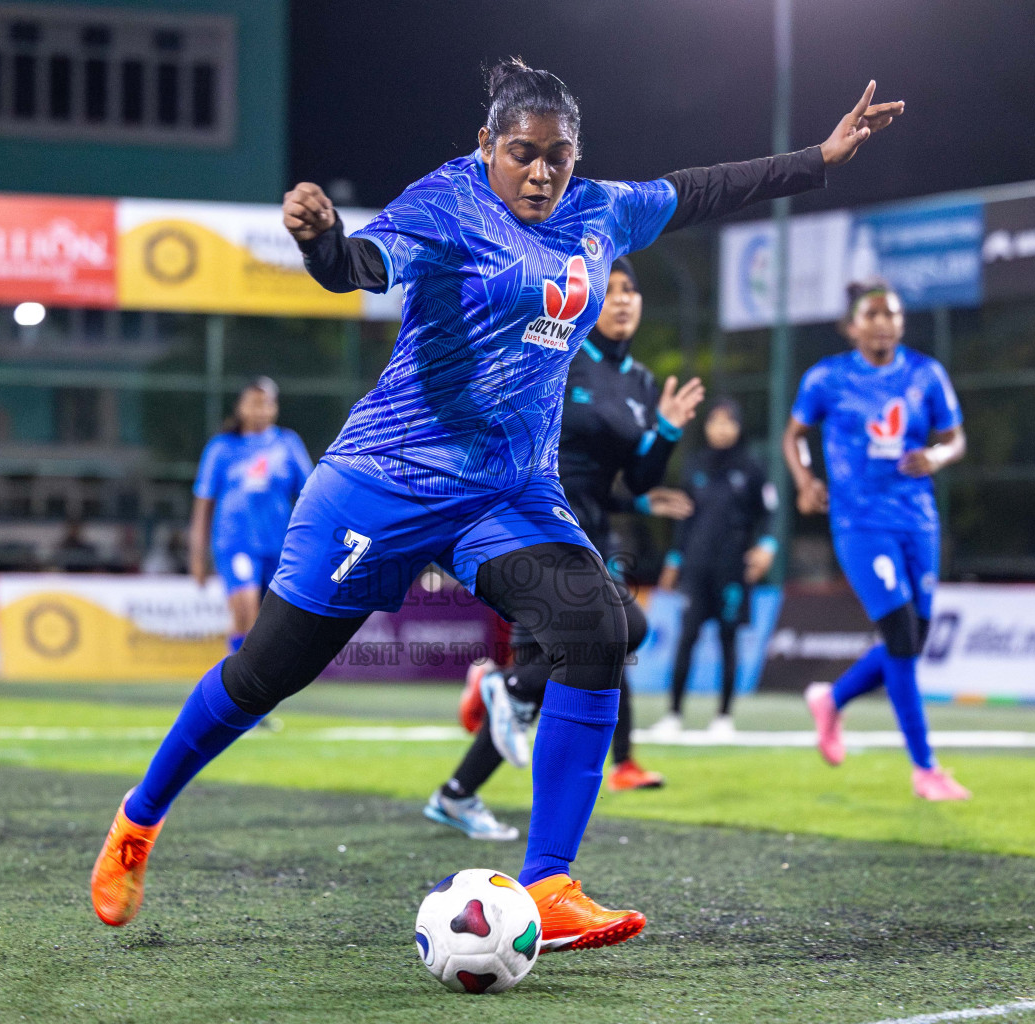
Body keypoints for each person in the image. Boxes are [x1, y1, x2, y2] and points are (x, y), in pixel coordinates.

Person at [91, 58, 901, 951]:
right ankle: (139, 819)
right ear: (487, 145)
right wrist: (322, 240)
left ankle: (550, 881)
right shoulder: (446, 202)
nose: (543, 173)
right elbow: (358, 265)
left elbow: (700, 189)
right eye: (523, 154)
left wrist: (818, 158)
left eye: (559, 156)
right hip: (386, 480)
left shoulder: (601, 210)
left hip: (506, 494)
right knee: (264, 675)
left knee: (596, 625)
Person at [424, 257, 703, 841]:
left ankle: (461, 787)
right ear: (593, 299)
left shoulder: (645, 384)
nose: (624, 301)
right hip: (533, 525)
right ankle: (507, 702)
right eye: (614, 291)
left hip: (590, 538)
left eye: (634, 292)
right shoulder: (561, 351)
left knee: (562, 666)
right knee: (602, 643)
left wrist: (669, 430)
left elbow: (640, 479)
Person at [785, 279, 969, 801]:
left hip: (918, 519)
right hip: (860, 523)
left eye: (892, 312)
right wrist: (804, 481)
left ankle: (832, 698)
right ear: (852, 326)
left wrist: (935, 456)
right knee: (903, 638)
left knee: (912, 637)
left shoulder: (926, 374)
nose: (884, 321)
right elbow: (793, 435)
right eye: (872, 314)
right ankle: (925, 769)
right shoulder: (827, 378)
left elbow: (955, 438)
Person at [650, 398, 777, 737]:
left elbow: (768, 516)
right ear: (706, 427)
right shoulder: (695, 466)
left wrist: (767, 547)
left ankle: (723, 717)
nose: (721, 430)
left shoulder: (752, 467)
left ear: (738, 427)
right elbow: (684, 520)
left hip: (733, 569)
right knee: (686, 637)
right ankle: (673, 714)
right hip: (695, 568)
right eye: (715, 423)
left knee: (728, 638)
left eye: (728, 423)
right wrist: (674, 560)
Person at [188, 378, 314, 652]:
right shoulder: (221, 448)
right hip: (236, 543)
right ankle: (237, 688)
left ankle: (265, 691)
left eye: (267, 403)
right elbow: (203, 506)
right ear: (240, 407)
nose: (260, 410)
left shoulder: (288, 444)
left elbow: (311, 495)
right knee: (245, 611)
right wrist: (197, 555)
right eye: (254, 403)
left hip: (279, 547)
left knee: (273, 624)